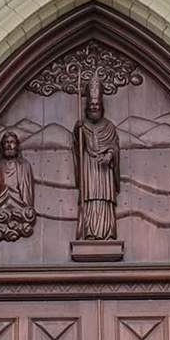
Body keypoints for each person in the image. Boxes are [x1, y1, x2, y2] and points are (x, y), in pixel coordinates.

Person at [73, 72, 120, 240]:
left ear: (101, 106)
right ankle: (89, 232)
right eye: (91, 104)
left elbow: (114, 146)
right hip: (89, 169)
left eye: (97, 104)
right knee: (90, 198)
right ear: (87, 106)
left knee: (104, 199)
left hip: (104, 171)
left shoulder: (109, 127)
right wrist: (77, 132)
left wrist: (109, 156)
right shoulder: (82, 126)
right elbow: (78, 148)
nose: (94, 107)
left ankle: (107, 232)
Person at [0, 130, 36, 241]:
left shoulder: (24, 165)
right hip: (0, 207)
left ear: (17, 145)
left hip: (19, 206)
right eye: (6, 142)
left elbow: (28, 190)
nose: (9, 145)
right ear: (2, 146)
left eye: (12, 142)